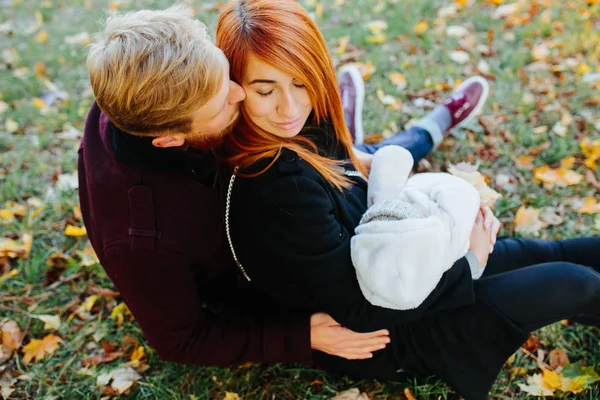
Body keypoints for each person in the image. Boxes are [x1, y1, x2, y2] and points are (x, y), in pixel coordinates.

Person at [217, 0, 600, 398]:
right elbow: (360, 310)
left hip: (406, 262)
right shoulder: (278, 185)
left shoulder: (304, 124)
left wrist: (454, 209)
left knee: (550, 251)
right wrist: (471, 260)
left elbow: (360, 179)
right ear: (233, 88)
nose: (289, 107)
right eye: (266, 90)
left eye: (301, 82)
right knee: (574, 282)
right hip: (392, 327)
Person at [77, 4, 488, 370]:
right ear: (171, 138)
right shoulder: (143, 240)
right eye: (224, 103)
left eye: (227, 77)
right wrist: (296, 336)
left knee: (361, 155)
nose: (239, 93)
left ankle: (427, 126)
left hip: (289, 185)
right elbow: (179, 340)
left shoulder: (145, 82)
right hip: (262, 264)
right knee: (352, 161)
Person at [351, 145, 484, 311]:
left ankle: (434, 128)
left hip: (450, 268)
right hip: (434, 300)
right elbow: (459, 197)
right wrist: (475, 260)